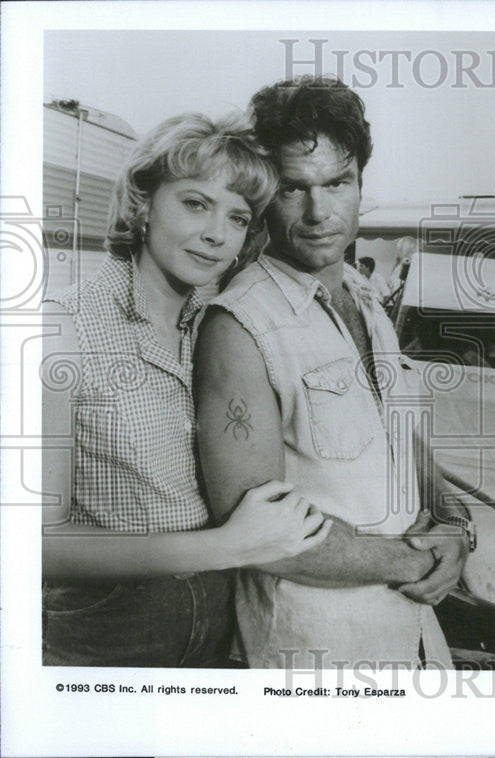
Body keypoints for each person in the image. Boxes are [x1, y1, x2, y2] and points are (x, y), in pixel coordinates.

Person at [194, 76, 473, 669]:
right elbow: (260, 526)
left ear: (360, 185)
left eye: (336, 183)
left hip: (413, 639)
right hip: (314, 655)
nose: (319, 212)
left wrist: (453, 524)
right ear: (266, 194)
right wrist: (414, 561)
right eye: (294, 189)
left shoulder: (366, 297)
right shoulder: (239, 325)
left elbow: (400, 437)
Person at [41, 113, 331, 668]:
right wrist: (226, 547)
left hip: (222, 619)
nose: (217, 233)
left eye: (238, 217)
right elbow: (38, 543)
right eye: (195, 203)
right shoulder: (61, 328)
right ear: (143, 203)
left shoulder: (222, 323)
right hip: (109, 630)